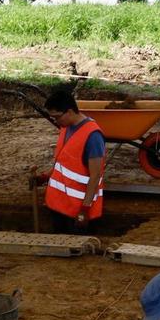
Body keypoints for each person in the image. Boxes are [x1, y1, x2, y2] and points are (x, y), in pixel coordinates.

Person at [42, 84, 105, 233]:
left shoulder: (93, 136)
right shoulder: (66, 128)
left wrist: (85, 209)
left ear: (69, 112)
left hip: (77, 211)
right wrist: (45, 177)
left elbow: (95, 176)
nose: (56, 121)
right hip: (59, 206)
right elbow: (64, 163)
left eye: (57, 117)